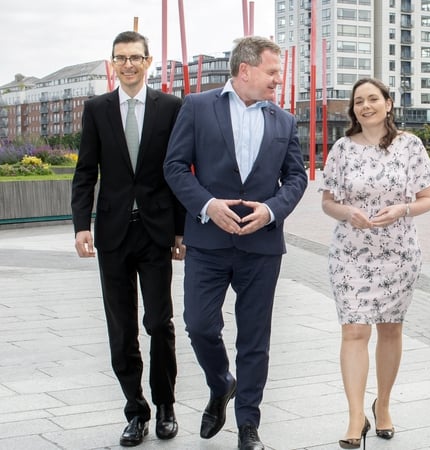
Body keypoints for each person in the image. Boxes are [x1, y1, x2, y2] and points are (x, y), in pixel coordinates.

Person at [163, 36, 307, 450]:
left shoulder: (283, 120)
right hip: (208, 242)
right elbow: (174, 166)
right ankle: (220, 382)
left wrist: (272, 210)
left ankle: (248, 426)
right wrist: (207, 205)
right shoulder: (197, 106)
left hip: (261, 247)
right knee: (199, 325)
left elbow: (296, 178)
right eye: (272, 71)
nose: (278, 80)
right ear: (245, 70)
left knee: (254, 339)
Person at [71, 31, 184, 447]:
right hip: (113, 235)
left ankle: (166, 406)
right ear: (112, 64)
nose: (129, 64)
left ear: (149, 61)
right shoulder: (96, 109)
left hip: (155, 233)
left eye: (136, 57)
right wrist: (82, 225)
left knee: (159, 323)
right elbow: (85, 172)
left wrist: (180, 229)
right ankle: (136, 411)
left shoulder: (170, 107)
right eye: (121, 58)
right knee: (121, 330)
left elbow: (179, 171)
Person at [321, 78, 430, 449]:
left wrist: (403, 208)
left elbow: (427, 199)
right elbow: (328, 202)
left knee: (390, 329)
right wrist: (346, 213)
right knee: (354, 330)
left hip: (398, 253)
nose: (365, 106)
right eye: (358, 101)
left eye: (373, 99)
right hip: (350, 253)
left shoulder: (410, 146)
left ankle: (382, 404)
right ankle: (356, 415)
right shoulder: (341, 148)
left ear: (388, 104)